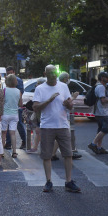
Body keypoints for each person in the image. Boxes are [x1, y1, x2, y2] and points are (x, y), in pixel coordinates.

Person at [33, 65, 80, 193]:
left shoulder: (63, 86)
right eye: (51, 73)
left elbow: (70, 105)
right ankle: (48, 181)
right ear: (45, 73)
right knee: (47, 156)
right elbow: (35, 107)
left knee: (68, 154)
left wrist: (68, 104)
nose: (54, 75)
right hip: (47, 126)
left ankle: (68, 181)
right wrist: (49, 100)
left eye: (55, 72)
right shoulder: (40, 88)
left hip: (63, 125)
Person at [51, 72, 82, 160]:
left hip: (58, 115)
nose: (69, 80)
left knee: (63, 135)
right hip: (61, 115)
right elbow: (65, 102)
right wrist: (73, 97)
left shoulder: (57, 86)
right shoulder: (63, 87)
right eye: (68, 78)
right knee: (64, 135)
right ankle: (55, 154)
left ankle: (67, 152)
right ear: (65, 79)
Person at [4, 66, 26, 150]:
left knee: (18, 125)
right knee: (12, 127)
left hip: (14, 107)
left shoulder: (18, 81)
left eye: (10, 73)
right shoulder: (8, 82)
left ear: (13, 72)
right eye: (7, 73)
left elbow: (20, 93)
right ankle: (9, 144)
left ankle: (24, 141)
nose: (9, 75)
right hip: (13, 107)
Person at [1, 74, 22, 158]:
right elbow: (20, 104)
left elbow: (1, 102)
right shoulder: (18, 91)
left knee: (3, 133)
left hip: (5, 114)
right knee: (12, 133)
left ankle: (1, 152)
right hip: (14, 115)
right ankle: (14, 152)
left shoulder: (4, 90)